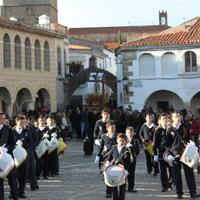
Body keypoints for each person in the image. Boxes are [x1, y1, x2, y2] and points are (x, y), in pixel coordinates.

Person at [167, 111, 200, 199]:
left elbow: (188, 137)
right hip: (175, 154)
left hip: (186, 152)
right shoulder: (169, 129)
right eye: (176, 116)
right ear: (172, 118)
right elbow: (167, 143)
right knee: (177, 174)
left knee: (190, 173)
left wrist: (192, 143)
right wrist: (169, 154)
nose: (178, 117)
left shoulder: (184, 126)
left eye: (179, 116)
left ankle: (192, 192)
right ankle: (179, 193)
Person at [95, 120, 117, 198]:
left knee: (114, 176)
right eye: (112, 128)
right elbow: (101, 148)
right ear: (107, 128)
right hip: (106, 158)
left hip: (115, 158)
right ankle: (108, 192)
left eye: (114, 128)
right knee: (108, 175)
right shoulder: (103, 136)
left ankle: (115, 191)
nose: (113, 129)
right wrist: (98, 156)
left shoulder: (117, 136)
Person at [106, 133, 132, 200]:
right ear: (117, 140)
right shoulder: (114, 147)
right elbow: (109, 156)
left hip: (123, 169)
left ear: (125, 141)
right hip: (114, 169)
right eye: (120, 140)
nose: (121, 142)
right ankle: (115, 198)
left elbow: (128, 161)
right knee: (114, 184)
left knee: (122, 185)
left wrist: (126, 170)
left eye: (123, 141)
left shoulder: (127, 150)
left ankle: (121, 198)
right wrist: (108, 162)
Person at [153, 114, 172, 192]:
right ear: (160, 121)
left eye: (166, 119)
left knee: (171, 170)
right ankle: (165, 186)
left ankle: (170, 183)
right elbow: (155, 144)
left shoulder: (170, 129)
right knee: (163, 171)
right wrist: (155, 154)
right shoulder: (157, 130)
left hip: (170, 152)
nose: (165, 120)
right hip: (161, 152)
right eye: (163, 119)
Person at [125, 126, 140, 193]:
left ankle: (131, 187)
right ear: (126, 133)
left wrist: (132, 147)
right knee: (124, 173)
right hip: (124, 160)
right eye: (128, 133)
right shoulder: (123, 140)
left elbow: (138, 151)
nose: (130, 134)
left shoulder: (135, 141)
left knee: (131, 173)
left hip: (132, 160)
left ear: (133, 133)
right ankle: (123, 186)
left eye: (131, 133)